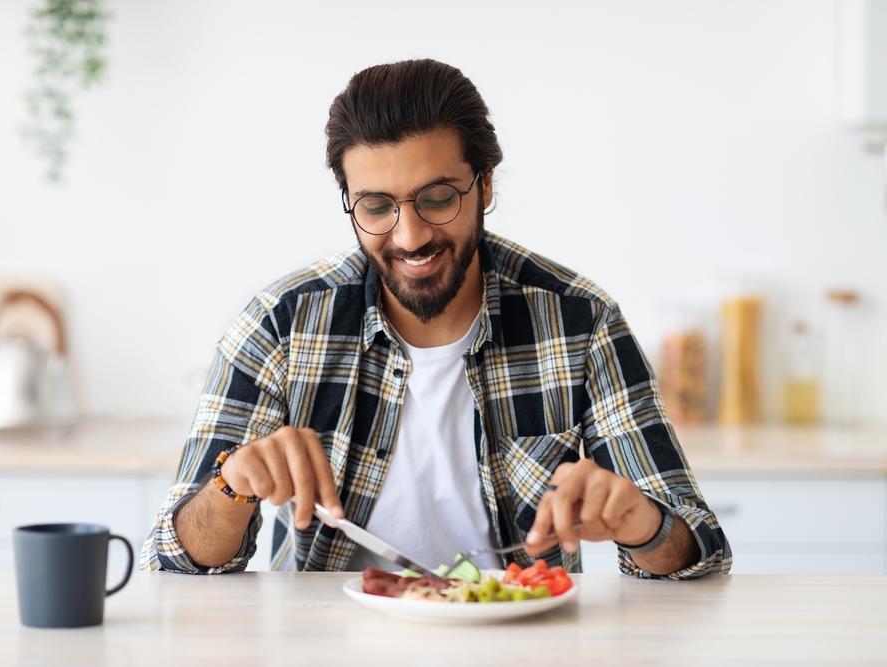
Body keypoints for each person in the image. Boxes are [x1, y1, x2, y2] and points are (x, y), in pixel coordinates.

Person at [140, 59, 732, 579]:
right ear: (351, 201)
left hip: (521, 643)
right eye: (376, 206)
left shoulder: (579, 320)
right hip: (324, 645)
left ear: (485, 185)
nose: (411, 235)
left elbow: (700, 551)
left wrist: (641, 522)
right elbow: (175, 556)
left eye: (438, 197)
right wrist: (233, 484)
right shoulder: (281, 323)